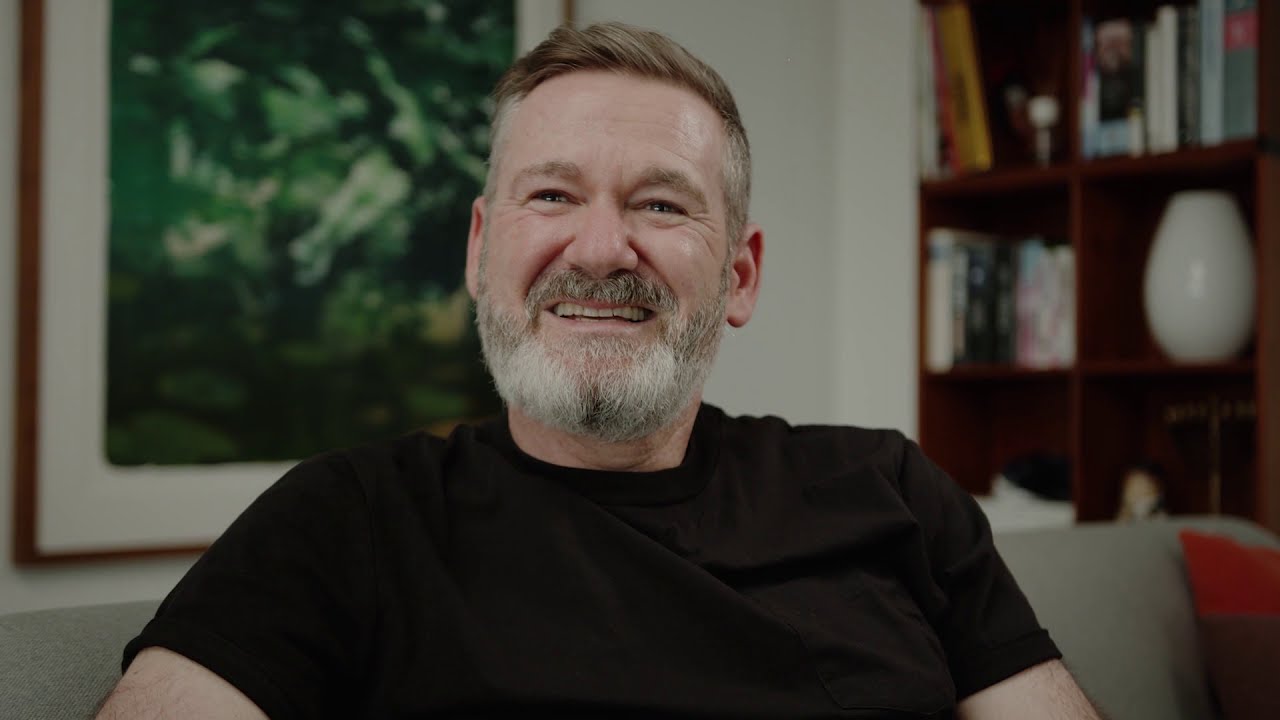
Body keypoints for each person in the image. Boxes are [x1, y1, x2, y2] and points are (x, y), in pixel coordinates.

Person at [98, 22, 1102, 719]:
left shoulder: (890, 493)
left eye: (660, 205)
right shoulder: (345, 522)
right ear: (479, 248)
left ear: (740, 275)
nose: (599, 249)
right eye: (552, 195)